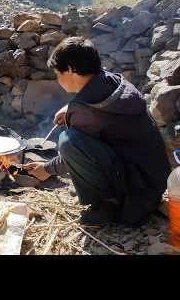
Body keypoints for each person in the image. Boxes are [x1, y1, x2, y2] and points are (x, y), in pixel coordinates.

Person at [23, 36, 170, 227]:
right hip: (154, 179)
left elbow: (78, 148)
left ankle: (108, 205)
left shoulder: (85, 109)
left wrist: (47, 169)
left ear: (69, 70)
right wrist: (71, 106)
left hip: (138, 192)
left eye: (58, 74)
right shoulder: (114, 82)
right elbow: (101, 119)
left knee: (68, 140)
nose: (58, 80)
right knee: (76, 139)